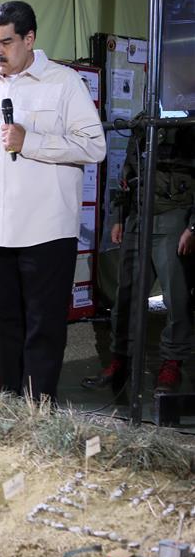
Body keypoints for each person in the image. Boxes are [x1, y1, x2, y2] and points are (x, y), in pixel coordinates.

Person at [0, 1, 106, 402]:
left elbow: (94, 146)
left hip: (47, 230)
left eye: (6, 42)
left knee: (43, 326)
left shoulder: (64, 83)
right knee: (9, 323)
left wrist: (30, 141)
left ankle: (38, 410)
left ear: (29, 38)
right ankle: (11, 407)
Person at [82, 121, 194, 394]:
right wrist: (120, 217)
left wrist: (193, 227)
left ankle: (172, 363)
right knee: (126, 297)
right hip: (137, 218)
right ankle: (121, 360)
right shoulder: (145, 120)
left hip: (175, 217)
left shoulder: (189, 120)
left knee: (176, 298)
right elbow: (129, 171)